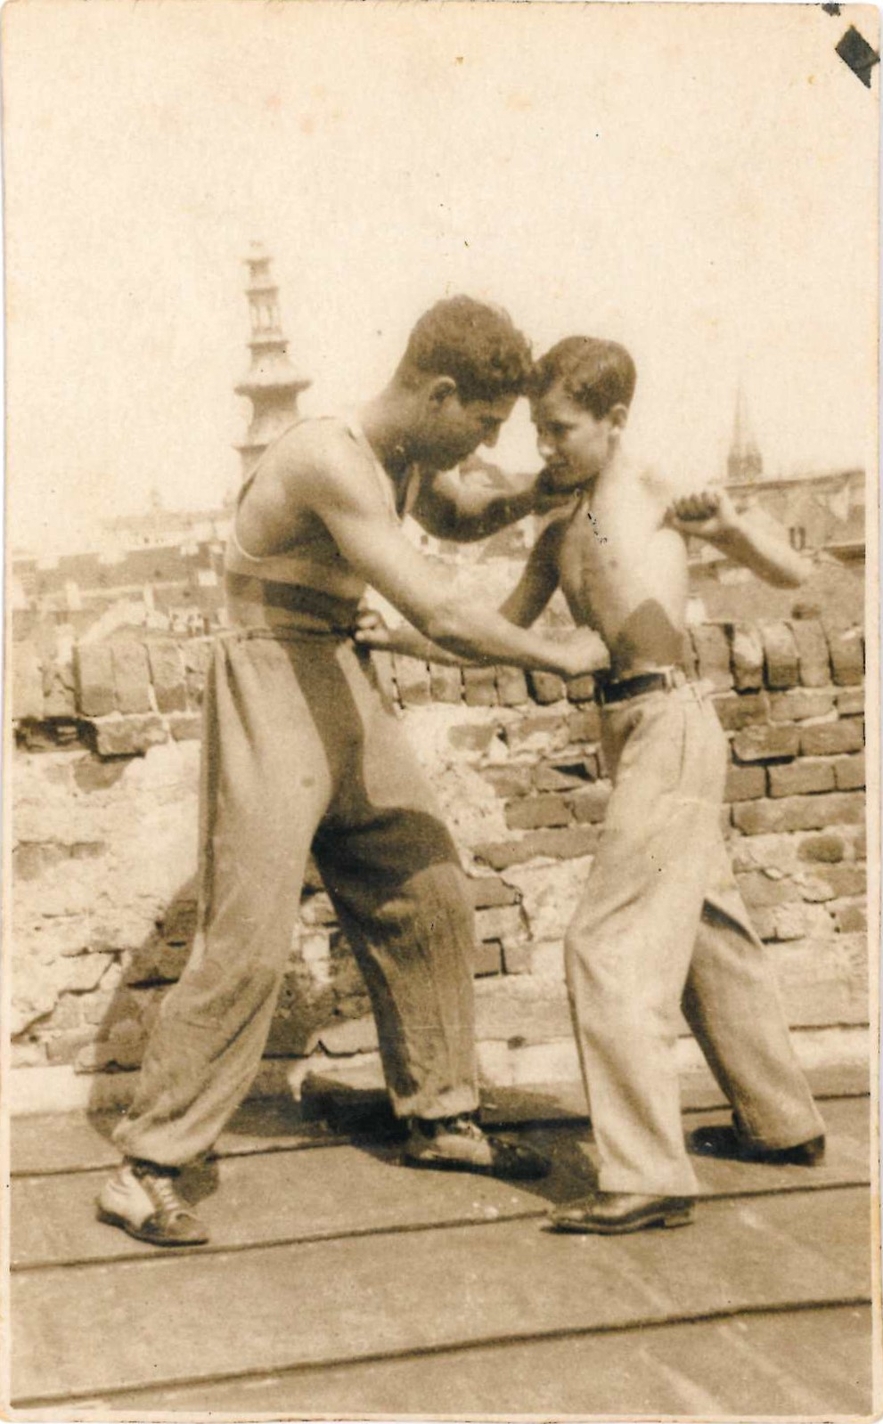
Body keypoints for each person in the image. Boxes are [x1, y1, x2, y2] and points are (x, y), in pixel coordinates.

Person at [96, 298, 605, 1248]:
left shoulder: (406, 456)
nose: (485, 443)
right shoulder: (327, 454)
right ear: (438, 390)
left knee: (424, 881)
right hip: (267, 666)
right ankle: (148, 1165)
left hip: (333, 666)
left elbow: (456, 517)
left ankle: (441, 1116)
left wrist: (529, 497)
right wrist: (571, 656)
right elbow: (441, 612)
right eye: (483, 425)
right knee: (250, 932)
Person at [361, 335, 825, 1236]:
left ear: (614, 422)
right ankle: (783, 1124)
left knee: (606, 947)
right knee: (704, 930)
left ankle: (649, 1175)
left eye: (562, 430)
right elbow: (490, 631)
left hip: (670, 722)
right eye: (537, 430)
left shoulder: (650, 490)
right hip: (632, 731)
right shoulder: (558, 531)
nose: (547, 448)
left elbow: (792, 568)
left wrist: (725, 525)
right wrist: (394, 635)